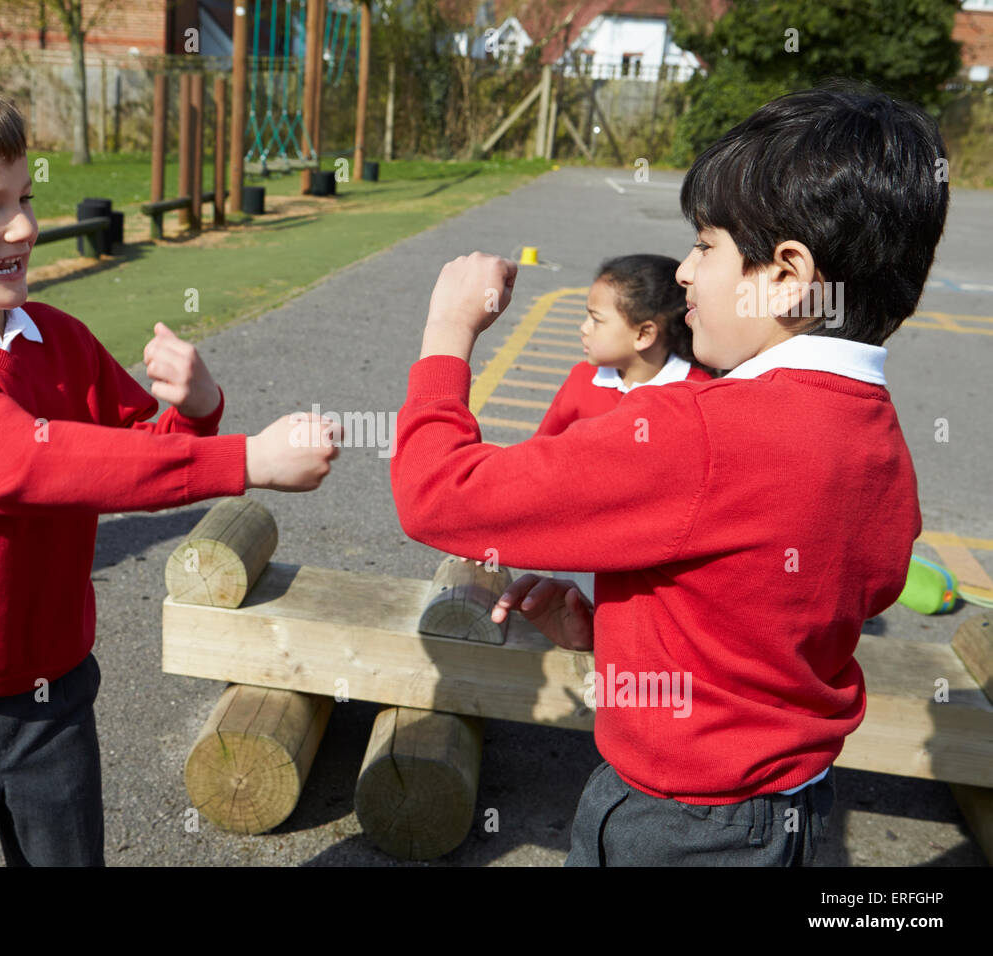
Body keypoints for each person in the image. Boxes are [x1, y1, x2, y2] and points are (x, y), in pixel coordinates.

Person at [390, 81, 945, 865]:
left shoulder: (701, 429)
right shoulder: (874, 432)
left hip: (676, 826)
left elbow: (437, 496)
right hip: (793, 811)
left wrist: (447, 331)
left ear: (786, 273)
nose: (683, 273)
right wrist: (625, 632)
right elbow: (808, 603)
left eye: (706, 245)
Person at [0, 71, 339, 865]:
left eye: (24, 198)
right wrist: (246, 460)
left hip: (50, 689)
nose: (23, 225)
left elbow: (131, 450)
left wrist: (196, 408)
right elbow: (30, 466)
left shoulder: (52, 335)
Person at [536, 253, 713, 439]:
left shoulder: (697, 394)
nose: (584, 328)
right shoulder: (582, 378)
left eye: (596, 319)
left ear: (643, 335)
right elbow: (541, 448)